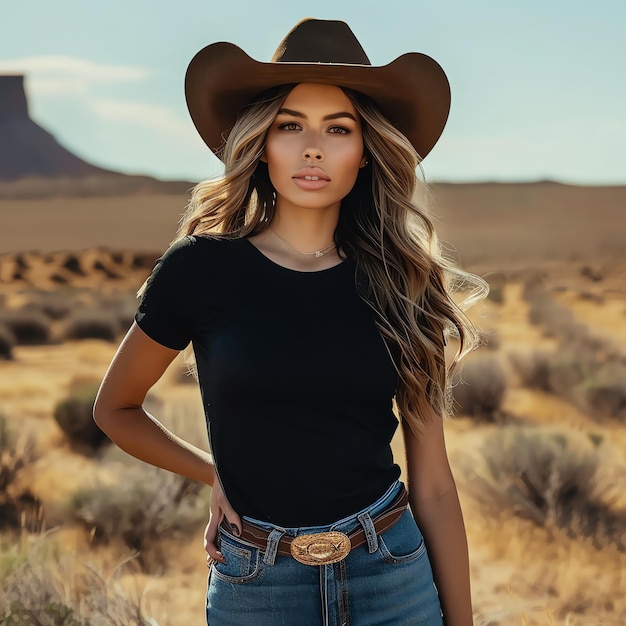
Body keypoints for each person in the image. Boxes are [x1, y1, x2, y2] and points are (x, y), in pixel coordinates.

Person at [94, 18, 487, 626]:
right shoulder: (201, 268)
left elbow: (432, 482)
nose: (312, 147)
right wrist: (215, 473)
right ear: (261, 143)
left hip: (392, 574)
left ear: (365, 151)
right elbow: (115, 408)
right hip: (257, 584)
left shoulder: (403, 283)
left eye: (338, 129)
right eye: (290, 125)